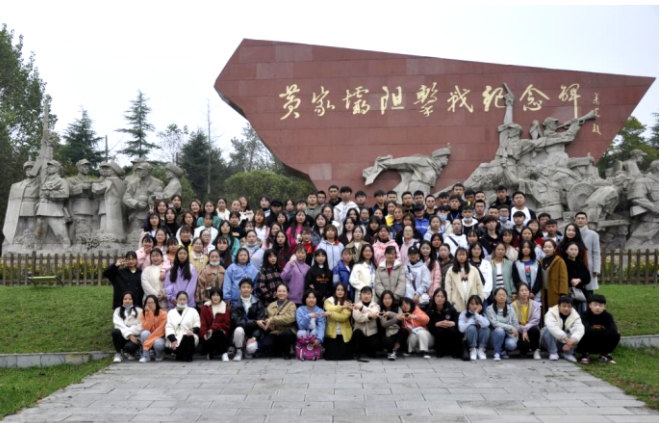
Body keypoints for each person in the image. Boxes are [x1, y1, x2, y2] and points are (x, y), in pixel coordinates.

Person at [578, 294, 620, 364]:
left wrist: (595, 331)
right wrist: (605, 330)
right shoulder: (584, 315)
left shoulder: (608, 316)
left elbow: (613, 329)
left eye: (600, 305)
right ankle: (585, 354)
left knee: (616, 334)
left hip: (602, 339)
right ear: (589, 305)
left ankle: (604, 354)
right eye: (595, 305)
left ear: (604, 306)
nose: (597, 307)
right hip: (588, 340)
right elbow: (587, 330)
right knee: (583, 333)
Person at [231, 279, 265, 361]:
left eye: (248, 287)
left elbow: (261, 322)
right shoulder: (235, 304)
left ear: (252, 289)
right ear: (239, 289)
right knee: (238, 330)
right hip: (241, 332)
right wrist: (255, 322)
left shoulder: (258, 302)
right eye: (243, 287)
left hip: (253, 332)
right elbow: (238, 322)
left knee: (251, 348)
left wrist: (254, 337)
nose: (246, 289)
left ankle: (247, 350)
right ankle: (239, 351)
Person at [542, 296, 585, 362]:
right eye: (564, 306)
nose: (566, 308)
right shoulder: (551, 313)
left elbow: (579, 329)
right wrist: (566, 339)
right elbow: (552, 327)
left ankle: (568, 353)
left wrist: (572, 341)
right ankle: (553, 352)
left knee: (575, 333)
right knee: (547, 329)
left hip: (566, 345)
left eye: (569, 306)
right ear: (559, 306)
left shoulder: (575, 316)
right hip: (551, 342)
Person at [261, 284, 297, 359]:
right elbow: (267, 318)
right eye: (279, 291)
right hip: (275, 331)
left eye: (284, 291)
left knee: (286, 334)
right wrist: (268, 323)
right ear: (276, 293)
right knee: (266, 344)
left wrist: (273, 320)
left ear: (287, 293)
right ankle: (278, 351)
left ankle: (287, 352)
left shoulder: (292, 305)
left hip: (287, 330)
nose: (281, 293)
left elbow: (289, 318)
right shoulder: (271, 305)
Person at [425, 288, 462, 358]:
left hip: (449, 328)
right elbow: (427, 322)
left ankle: (454, 351)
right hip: (437, 329)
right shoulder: (430, 309)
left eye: (442, 297)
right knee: (439, 331)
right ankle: (440, 351)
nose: (439, 298)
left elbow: (457, 319)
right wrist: (436, 324)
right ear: (434, 297)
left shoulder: (450, 308)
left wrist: (453, 323)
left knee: (452, 331)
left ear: (445, 299)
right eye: (437, 296)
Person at [166, 291, 201, 362]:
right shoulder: (171, 313)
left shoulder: (193, 311)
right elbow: (169, 327)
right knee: (177, 344)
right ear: (176, 300)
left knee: (188, 337)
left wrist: (192, 330)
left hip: (189, 337)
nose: (182, 301)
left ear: (187, 300)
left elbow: (197, 324)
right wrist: (173, 340)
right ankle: (180, 354)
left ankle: (187, 355)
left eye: (184, 299)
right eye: (180, 299)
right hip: (176, 340)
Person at [445, 248, 484, 312]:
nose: (461, 257)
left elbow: (479, 286)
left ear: (467, 256)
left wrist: (479, 301)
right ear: (456, 256)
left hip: (473, 305)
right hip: (456, 306)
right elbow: (448, 289)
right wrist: (450, 304)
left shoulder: (474, 270)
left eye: (463, 255)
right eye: (459, 255)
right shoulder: (450, 271)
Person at [200, 287, 232, 361]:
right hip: (208, 333)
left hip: (221, 334)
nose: (215, 297)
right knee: (208, 337)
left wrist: (213, 328)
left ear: (221, 296)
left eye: (218, 295)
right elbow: (202, 323)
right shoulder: (205, 308)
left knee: (218, 333)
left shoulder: (225, 309)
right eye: (213, 295)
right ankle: (210, 352)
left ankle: (224, 353)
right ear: (210, 296)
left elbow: (226, 324)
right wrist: (204, 333)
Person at [323, 283, 353, 361]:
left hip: (344, 333)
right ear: (335, 291)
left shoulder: (348, 302)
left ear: (345, 291)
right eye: (338, 290)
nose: (340, 292)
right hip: (331, 333)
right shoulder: (328, 300)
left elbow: (344, 317)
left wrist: (331, 314)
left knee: (344, 357)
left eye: (342, 290)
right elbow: (328, 308)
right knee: (331, 356)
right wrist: (342, 307)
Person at [486, 288, 518, 361]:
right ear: (495, 297)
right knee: (499, 331)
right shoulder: (490, 309)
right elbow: (495, 323)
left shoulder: (511, 309)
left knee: (512, 345)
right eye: (499, 295)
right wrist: (510, 327)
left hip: (509, 335)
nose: (501, 297)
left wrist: (513, 329)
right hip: (495, 335)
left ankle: (504, 351)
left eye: (504, 295)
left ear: (506, 296)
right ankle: (497, 352)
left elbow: (515, 324)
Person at [112, 292, 143, 363]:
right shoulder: (117, 311)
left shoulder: (139, 311)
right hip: (123, 336)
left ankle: (131, 352)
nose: (127, 301)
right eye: (125, 299)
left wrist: (130, 332)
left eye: (130, 299)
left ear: (133, 300)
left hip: (135, 337)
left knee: (129, 347)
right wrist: (129, 335)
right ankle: (118, 353)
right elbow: (119, 325)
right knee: (115, 332)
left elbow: (141, 325)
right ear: (122, 300)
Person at [539, 239, 568, 316]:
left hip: (555, 291)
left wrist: (563, 293)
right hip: (544, 292)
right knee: (545, 313)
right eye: (545, 247)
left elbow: (563, 278)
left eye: (549, 247)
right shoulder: (541, 261)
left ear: (554, 249)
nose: (547, 249)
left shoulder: (559, 261)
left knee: (555, 313)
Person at [512, 283, 541, 359]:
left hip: (530, 329)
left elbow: (536, 320)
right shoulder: (512, 305)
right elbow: (512, 322)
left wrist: (525, 329)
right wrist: (523, 330)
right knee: (524, 345)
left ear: (529, 292)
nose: (524, 292)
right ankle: (523, 351)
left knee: (535, 330)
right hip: (519, 330)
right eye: (522, 290)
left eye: (526, 290)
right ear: (518, 292)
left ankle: (535, 350)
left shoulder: (535, 304)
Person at [352, 287, 381, 361]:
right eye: (364, 294)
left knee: (374, 346)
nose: (366, 296)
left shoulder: (375, 305)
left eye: (368, 294)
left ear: (372, 295)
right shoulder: (356, 305)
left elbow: (375, 314)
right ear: (360, 295)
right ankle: (357, 352)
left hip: (372, 333)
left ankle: (368, 351)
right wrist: (369, 316)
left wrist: (362, 308)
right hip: (360, 333)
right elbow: (357, 318)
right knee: (357, 332)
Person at [561, 242, 591, 312]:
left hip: (580, 292)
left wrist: (579, 280)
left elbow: (587, 277)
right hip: (567, 291)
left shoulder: (580, 262)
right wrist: (571, 280)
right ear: (566, 251)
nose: (573, 251)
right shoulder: (563, 262)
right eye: (571, 249)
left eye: (575, 250)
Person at [575, 212, 601, 294]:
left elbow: (596, 253)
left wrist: (596, 268)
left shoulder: (593, 235)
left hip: (588, 265)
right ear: (575, 220)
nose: (580, 220)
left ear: (586, 221)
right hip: (574, 265)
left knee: (588, 290)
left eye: (582, 218)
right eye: (578, 218)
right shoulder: (571, 233)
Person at [379, 290, 408, 361]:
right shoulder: (381, 309)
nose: (387, 301)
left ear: (392, 299)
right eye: (385, 299)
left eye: (389, 298)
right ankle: (390, 351)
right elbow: (384, 324)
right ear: (382, 300)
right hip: (386, 333)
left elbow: (402, 317)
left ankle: (393, 351)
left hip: (397, 331)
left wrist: (390, 314)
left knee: (405, 331)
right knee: (387, 340)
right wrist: (396, 318)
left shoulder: (398, 308)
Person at [459, 295, 490, 361]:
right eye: (472, 304)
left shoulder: (483, 314)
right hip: (469, 340)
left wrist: (476, 314)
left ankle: (481, 350)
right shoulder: (463, 314)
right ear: (468, 305)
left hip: (480, 340)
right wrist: (472, 322)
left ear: (480, 306)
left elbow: (486, 324)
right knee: (471, 328)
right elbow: (461, 329)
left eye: (477, 304)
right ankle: (472, 349)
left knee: (485, 328)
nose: (475, 306)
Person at [139, 295, 166, 363]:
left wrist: (147, 342)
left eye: (152, 302)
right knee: (144, 333)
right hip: (149, 336)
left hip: (159, 337)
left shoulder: (163, 314)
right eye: (148, 303)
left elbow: (161, 331)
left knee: (157, 343)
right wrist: (150, 313)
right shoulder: (143, 313)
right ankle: (146, 356)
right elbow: (147, 328)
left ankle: (159, 355)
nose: (150, 305)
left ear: (156, 303)